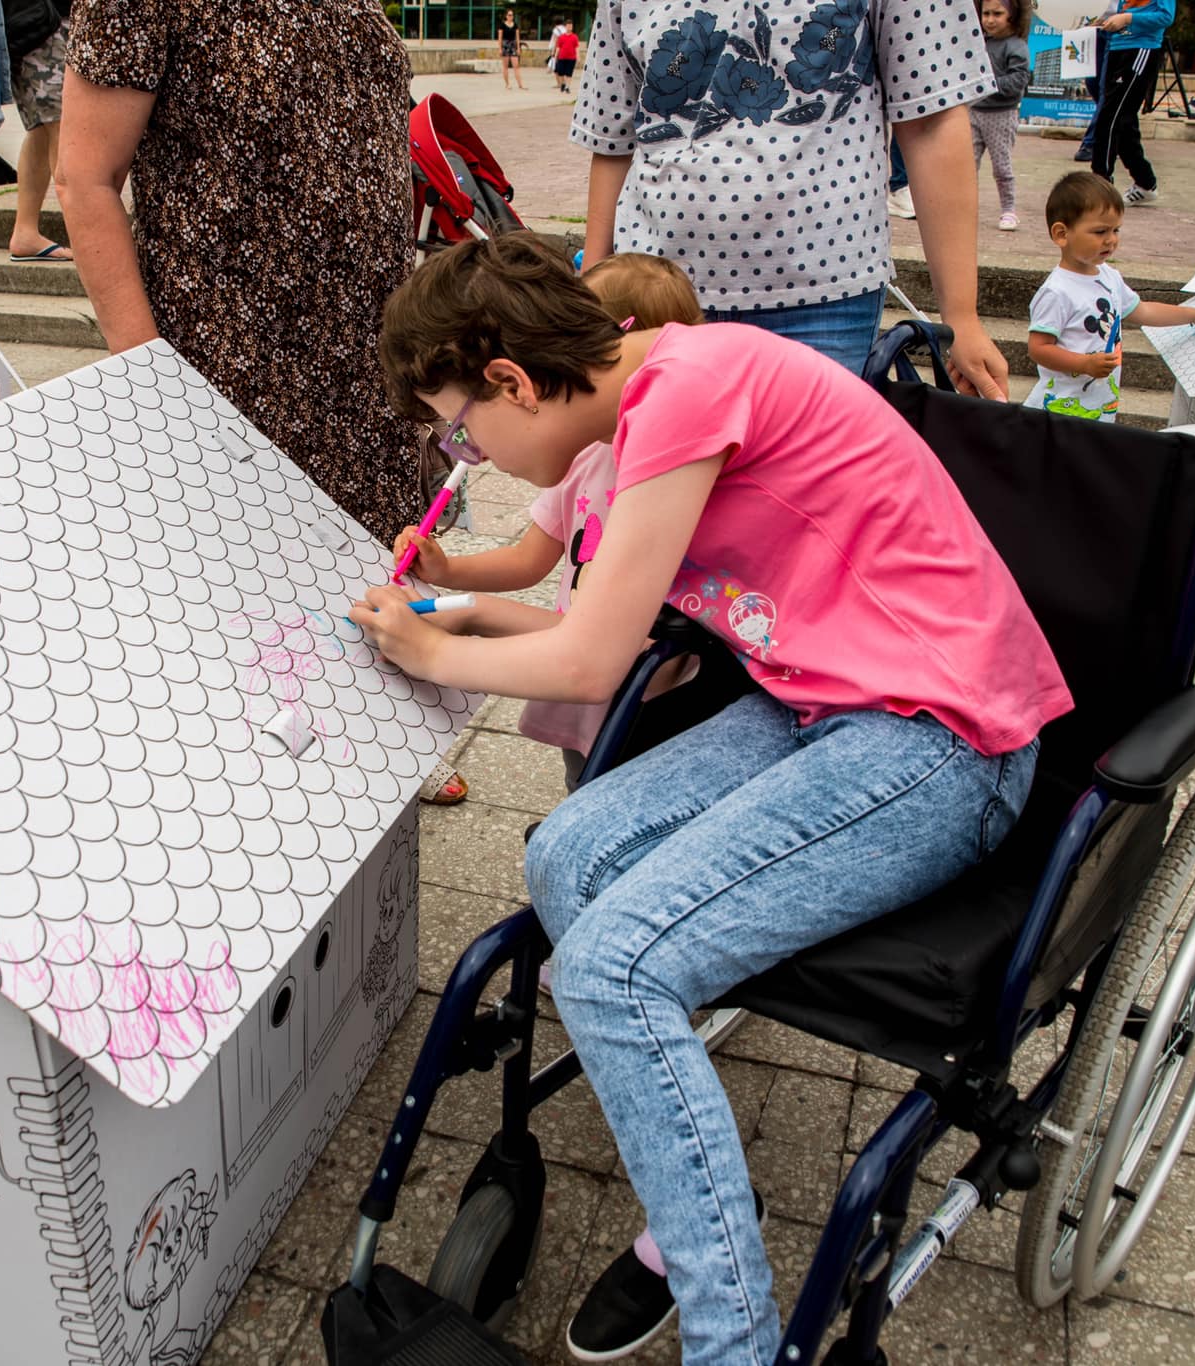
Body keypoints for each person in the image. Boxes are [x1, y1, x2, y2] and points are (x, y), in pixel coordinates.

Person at [355, 234, 1070, 1365]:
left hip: (941, 737)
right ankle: (683, 1163)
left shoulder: (685, 390)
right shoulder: (662, 386)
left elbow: (591, 661)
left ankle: (731, 1340)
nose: (470, 453)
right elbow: (598, 629)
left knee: (609, 969)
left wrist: (435, 654)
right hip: (823, 697)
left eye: (462, 428)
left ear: (510, 380)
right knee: (564, 855)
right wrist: (455, 616)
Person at [58, 0, 419, 546]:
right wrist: (150, 379)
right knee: (250, 578)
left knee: (379, 585)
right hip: (236, 376)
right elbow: (85, 179)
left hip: (369, 377)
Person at [572, 0, 1012, 396]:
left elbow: (932, 118)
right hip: (649, 295)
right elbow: (613, 140)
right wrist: (592, 293)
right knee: (649, 463)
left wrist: (962, 316)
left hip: (823, 300)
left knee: (807, 466)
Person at [392, 253, 705, 792]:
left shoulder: (674, 470)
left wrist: (446, 640)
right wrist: (448, 573)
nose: (470, 447)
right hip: (574, 675)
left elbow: (622, 650)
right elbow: (529, 559)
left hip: (651, 700)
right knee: (581, 786)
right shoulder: (580, 456)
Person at [1026, 173, 1195, 423]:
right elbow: (1039, 348)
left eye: (1116, 230)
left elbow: (1144, 311)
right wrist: (1084, 363)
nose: (1111, 240)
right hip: (1060, 412)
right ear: (1061, 234)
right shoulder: (1057, 292)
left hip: (1099, 408)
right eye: (1100, 231)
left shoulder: (1109, 277)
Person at [1, 0, 72, 262]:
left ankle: (25, 232)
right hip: (42, 25)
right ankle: (85, 238)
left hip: (34, 23)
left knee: (43, 129)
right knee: (63, 126)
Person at [1091, 0, 1174, 205]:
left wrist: (1127, 18)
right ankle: (1145, 182)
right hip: (1116, 46)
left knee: (1110, 116)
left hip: (1141, 48)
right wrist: (1106, 20)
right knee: (1123, 121)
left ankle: (1101, 184)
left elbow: (1166, 16)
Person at [975, 0, 1031, 232]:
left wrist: (988, 85)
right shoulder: (979, 42)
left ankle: (1008, 210)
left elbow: (1019, 80)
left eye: (997, 14)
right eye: (986, 13)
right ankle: (964, 208)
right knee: (966, 166)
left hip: (1001, 115)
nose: (989, 20)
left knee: (1001, 167)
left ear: (1012, 15)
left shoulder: (1016, 46)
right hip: (974, 111)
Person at [551, 18, 580, 93]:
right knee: (560, 72)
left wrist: (578, 56)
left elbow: (577, 47)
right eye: (568, 26)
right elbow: (558, 47)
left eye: (571, 26)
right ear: (565, 27)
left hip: (571, 58)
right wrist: (556, 55)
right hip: (562, 57)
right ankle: (563, 84)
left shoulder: (575, 37)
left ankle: (567, 87)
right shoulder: (561, 37)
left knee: (569, 73)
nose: (569, 27)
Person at [500, 7, 526, 90]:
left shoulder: (515, 25)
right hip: (505, 45)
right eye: (509, 15)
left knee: (516, 65)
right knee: (505, 66)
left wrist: (518, 48)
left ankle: (520, 84)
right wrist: (500, 48)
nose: (510, 16)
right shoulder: (502, 25)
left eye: (512, 15)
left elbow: (517, 37)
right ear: (506, 16)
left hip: (513, 45)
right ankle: (507, 84)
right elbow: (500, 38)